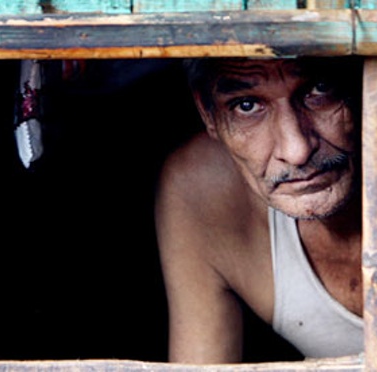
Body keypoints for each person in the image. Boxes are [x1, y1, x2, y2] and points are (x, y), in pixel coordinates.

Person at [154, 56, 364, 363]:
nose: (297, 150)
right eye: (247, 106)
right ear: (207, 113)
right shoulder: (204, 190)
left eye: (319, 89)